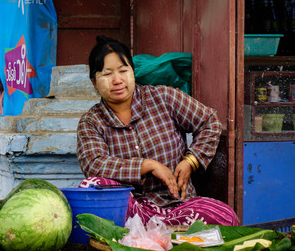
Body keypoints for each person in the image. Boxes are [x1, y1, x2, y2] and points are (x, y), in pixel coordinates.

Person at [76, 35, 239, 227]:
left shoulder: (163, 97)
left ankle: (160, 231)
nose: (117, 80)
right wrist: (148, 165)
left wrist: (190, 161)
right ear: (94, 82)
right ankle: (158, 232)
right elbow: (94, 165)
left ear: (133, 72)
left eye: (123, 70)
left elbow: (209, 122)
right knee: (92, 186)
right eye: (107, 74)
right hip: (130, 211)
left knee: (225, 216)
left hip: (178, 206)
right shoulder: (91, 122)